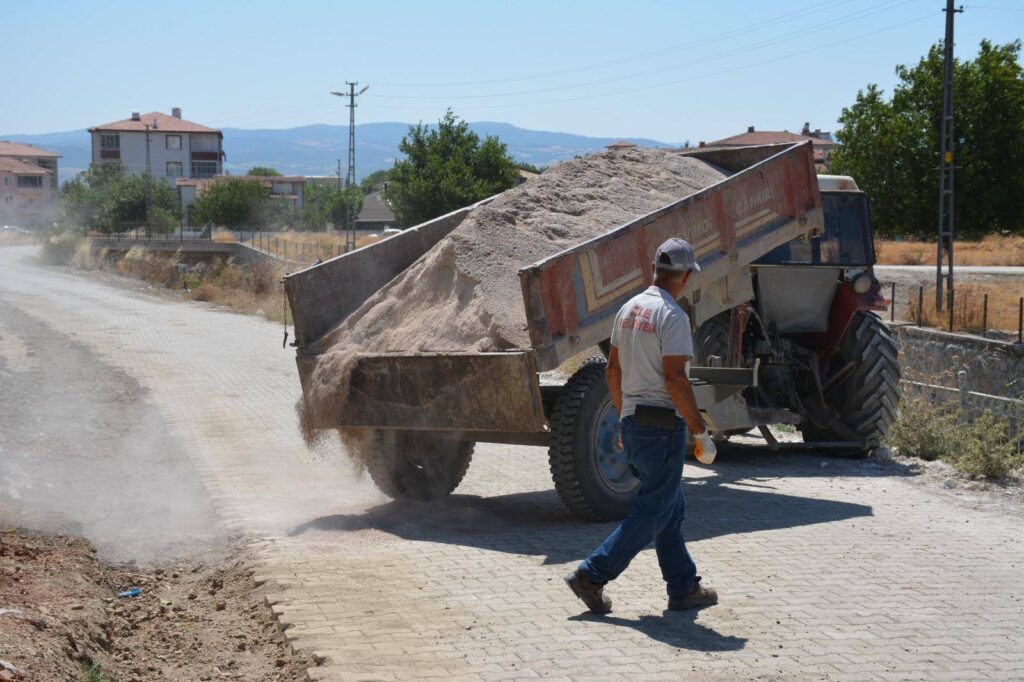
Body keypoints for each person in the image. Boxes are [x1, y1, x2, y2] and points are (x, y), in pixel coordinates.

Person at [565, 237, 719, 614]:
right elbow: (676, 381)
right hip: (662, 429)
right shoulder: (673, 317)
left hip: (634, 424)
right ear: (684, 276)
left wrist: (623, 417)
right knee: (653, 511)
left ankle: (682, 587)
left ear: (655, 270)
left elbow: (612, 370)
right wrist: (700, 432)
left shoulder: (628, 310)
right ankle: (592, 574)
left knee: (669, 507)